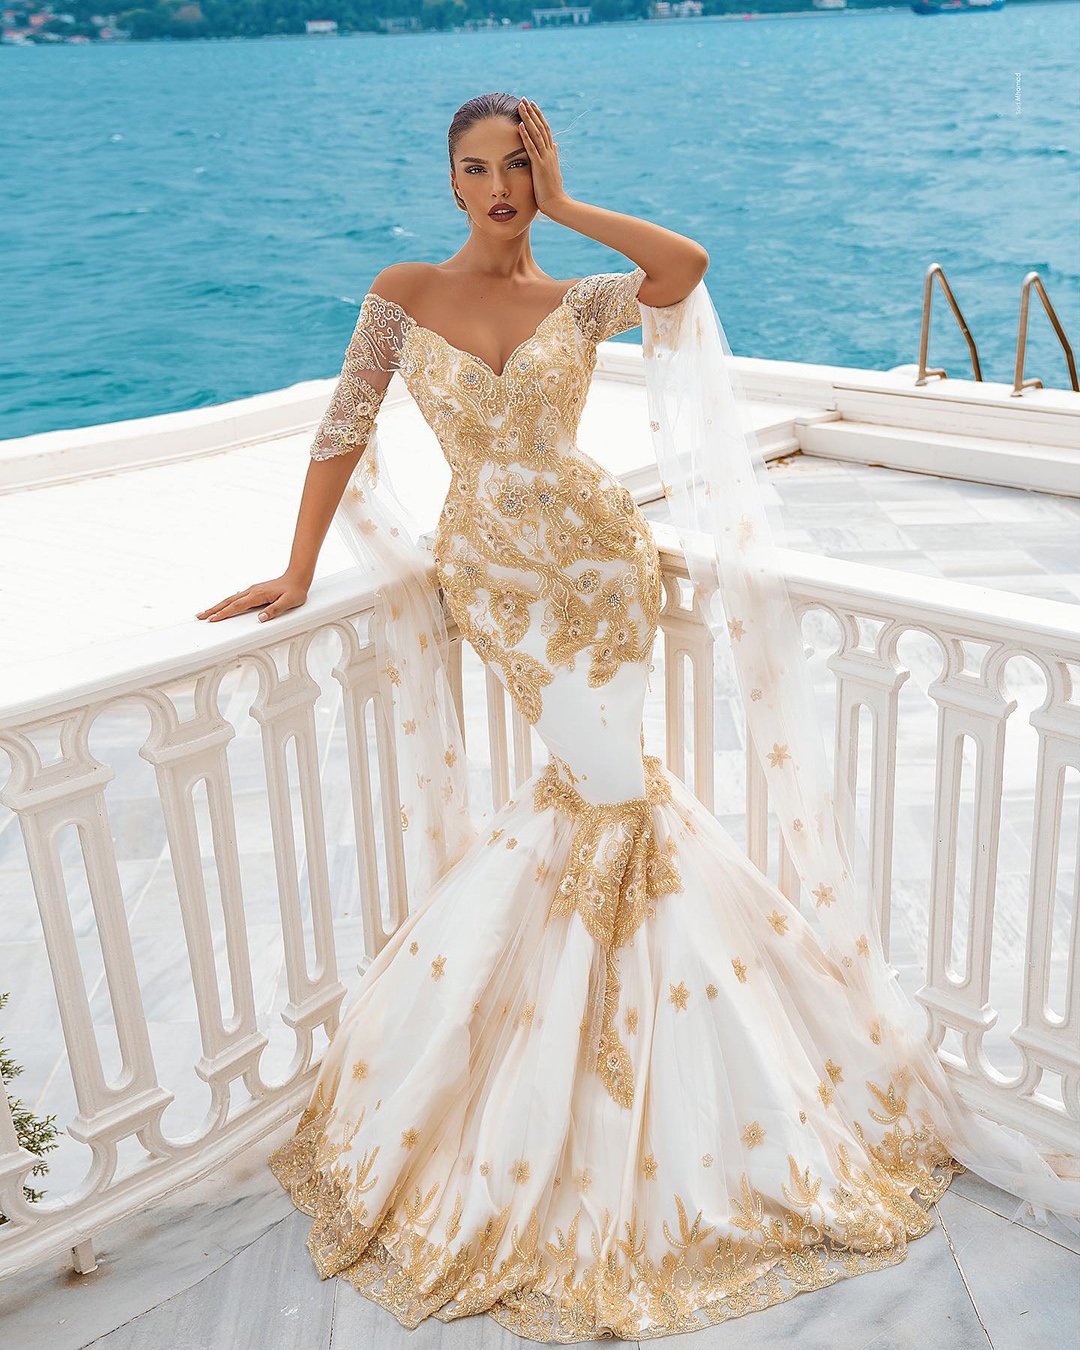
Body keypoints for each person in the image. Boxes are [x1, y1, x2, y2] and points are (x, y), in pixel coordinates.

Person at [196, 93, 1079, 1342]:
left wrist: (565, 209)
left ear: (540, 171)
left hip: (601, 569)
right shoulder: (403, 289)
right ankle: (620, 1082)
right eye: (479, 168)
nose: (497, 185)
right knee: (609, 798)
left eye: (519, 165)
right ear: (447, 182)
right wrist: (295, 568)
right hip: (499, 579)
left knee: (616, 802)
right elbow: (344, 426)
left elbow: (684, 268)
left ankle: (650, 1096)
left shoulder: (580, 301)